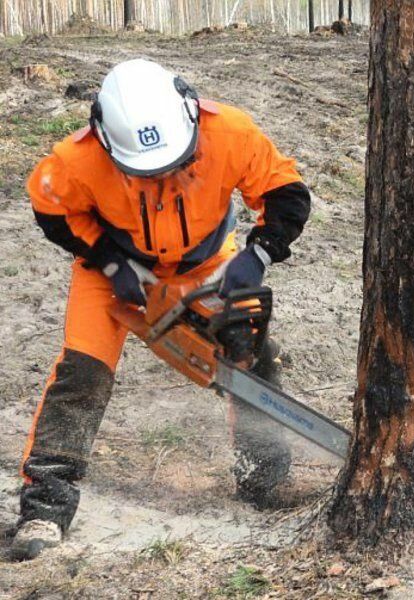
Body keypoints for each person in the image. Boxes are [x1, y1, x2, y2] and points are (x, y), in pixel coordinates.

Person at [11, 59, 311, 561]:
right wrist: (108, 262)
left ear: (191, 114)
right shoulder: (74, 160)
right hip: (118, 274)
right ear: (105, 140)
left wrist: (256, 255)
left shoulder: (230, 133)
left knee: (250, 357)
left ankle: (264, 481)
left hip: (209, 263)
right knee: (82, 374)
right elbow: (52, 210)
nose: (164, 176)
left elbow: (286, 194)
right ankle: (46, 506)